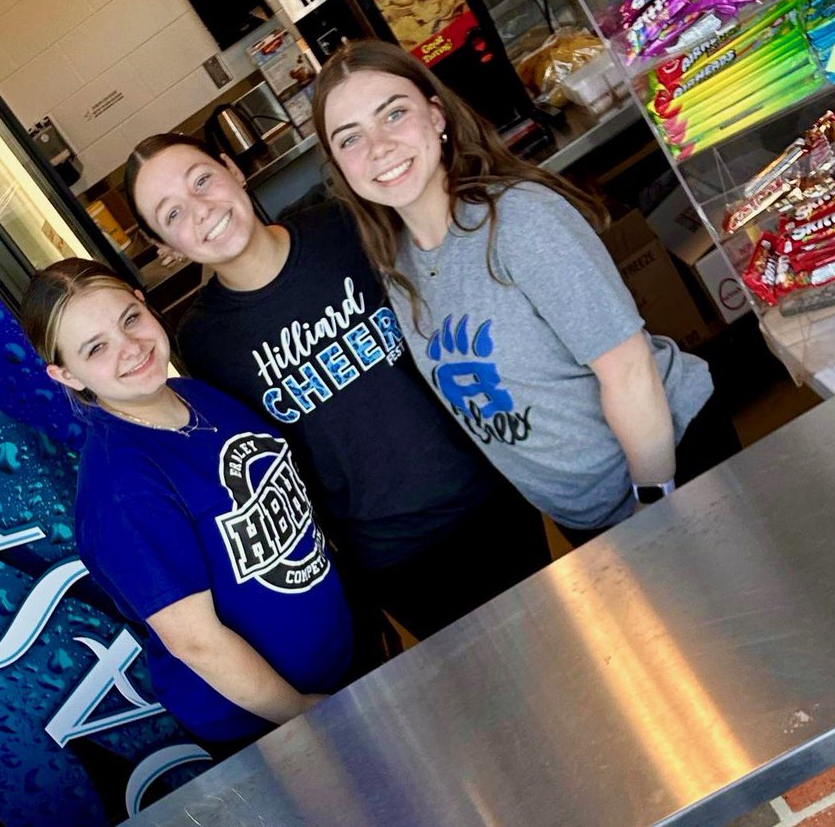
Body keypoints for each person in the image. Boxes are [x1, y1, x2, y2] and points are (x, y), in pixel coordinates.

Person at [124, 132, 551, 642]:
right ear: (166, 248)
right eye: (171, 215)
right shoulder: (203, 340)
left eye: (203, 181)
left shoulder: (343, 227)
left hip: (492, 492)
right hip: (397, 558)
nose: (200, 210)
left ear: (231, 170)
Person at [311, 39, 738, 547]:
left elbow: (629, 371)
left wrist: (654, 504)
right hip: (589, 514)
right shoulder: (395, 264)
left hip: (669, 465)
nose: (378, 147)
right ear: (340, 167)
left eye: (394, 113)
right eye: (350, 138)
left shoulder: (520, 221)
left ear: (436, 115)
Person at [20, 259, 352, 760]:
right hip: (273, 723)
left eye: (129, 318)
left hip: (342, 664)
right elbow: (196, 643)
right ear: (65, 374)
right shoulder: (121, 489)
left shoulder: (192, 393)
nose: (130, 349)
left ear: (143, 300)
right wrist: (304, 713)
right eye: (96, 348)